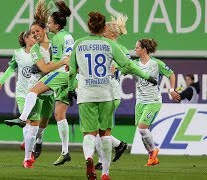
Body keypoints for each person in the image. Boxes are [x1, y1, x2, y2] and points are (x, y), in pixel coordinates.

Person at [68, 12, 157, 180]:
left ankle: (89, 158)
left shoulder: (78, 44)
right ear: (103, 28)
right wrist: (146, 76)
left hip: (86, 93)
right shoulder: (110, 45)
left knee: (89, 134)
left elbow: (72, 71)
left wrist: (70, 88)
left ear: (89, 27)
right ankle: (106, 173)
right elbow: (129, 65)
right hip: (106, 92)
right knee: (105, 133)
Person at [5, 0, 74, 166]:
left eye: (37, 31)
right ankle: (28, 157)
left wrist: (65, 64)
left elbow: (57, 62)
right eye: (32, 33)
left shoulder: (56, 40)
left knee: (45, 123)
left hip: (52, 88)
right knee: (33, 125)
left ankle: (40, 140)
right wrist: (63, 62)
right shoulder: (35, 49)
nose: (35, 34)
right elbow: (44, 68)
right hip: (40, 84)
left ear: (46, 29)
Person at [0, 30, 42, 167]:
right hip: (22, 94)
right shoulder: (18, 53)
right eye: (33, 36)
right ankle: (27, 158)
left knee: (34, 126)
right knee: (28, 120)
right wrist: (1, 82)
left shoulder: (40, 53)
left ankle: (28, 146)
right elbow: (11, 69)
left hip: (38, 92)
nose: (36, 38)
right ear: (26, 39)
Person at [133, 38, 180, 167]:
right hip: (140, 102)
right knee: (142, 132)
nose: (135, 49)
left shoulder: (156, 64)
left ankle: (154, 150)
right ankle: (152, 157)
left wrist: (171, 90)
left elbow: (171, 74)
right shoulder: (134, 64)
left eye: (137, 47)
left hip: (153, 101)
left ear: (144, 49)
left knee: (142, 129)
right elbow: (122, 69)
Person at [93, 13, 130, 171]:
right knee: (96, 129)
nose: (102, 31)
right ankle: (118, 145)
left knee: (96, 128)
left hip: (111, 91)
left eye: (105, 30)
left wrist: (118, 69)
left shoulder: (121, 49)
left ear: (113, 34)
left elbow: (128, 67)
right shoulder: (100, 45)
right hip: (98, 89)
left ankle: (105, 158)